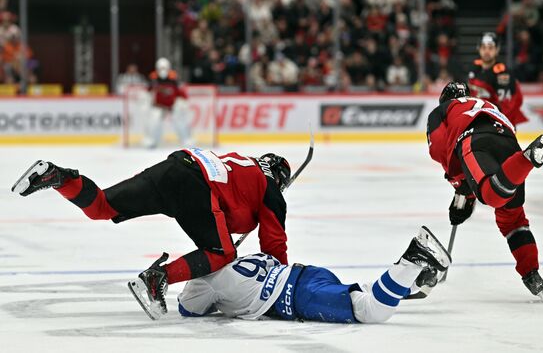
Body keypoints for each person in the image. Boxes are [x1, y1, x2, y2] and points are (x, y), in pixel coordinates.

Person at [12, 148, 292, 319]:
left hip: (175, 167)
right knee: (221, 253)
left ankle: (59, 177)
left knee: (102, 207)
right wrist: (279, 278)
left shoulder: (244, 162)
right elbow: (274, 243)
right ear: (280, 177)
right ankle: (158, 278)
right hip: (195, 185)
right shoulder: (270, 189)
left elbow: (224, 204)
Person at [426, 81, 543, 300]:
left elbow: (440, 150)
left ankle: (527, 159)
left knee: (490, 195)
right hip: (508, 143)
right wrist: (466, 193)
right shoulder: (487, 103)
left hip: (474, 140)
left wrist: (461, 190)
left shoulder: (441, 111)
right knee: (512, 220)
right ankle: (533, 277)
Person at [176, 226, 451, 323]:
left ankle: (413, 260)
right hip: (309, 274)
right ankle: (408, 282)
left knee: (372, 312)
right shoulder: (244, 258)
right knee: (362, 293)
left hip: (299, 297)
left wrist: (198, 280)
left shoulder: (207, 281)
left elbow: (188, 309)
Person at [468, 32, 528, 127]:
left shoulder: (503, 73)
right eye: (483, 47)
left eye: (490, 48)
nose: (487, 51)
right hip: (479, 120)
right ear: (479, 49)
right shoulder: (474, 68)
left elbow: (507, 106)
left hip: (499, 122)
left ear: (497, 49)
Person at [144, 57, 191, 148]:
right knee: (154, 121)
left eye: (164, 68)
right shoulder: (153, 78)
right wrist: (148, 101)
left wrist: (183, 100)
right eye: (161, 68)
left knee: (179, 121)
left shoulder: (173, 78)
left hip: (172, 105)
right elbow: (148, 91)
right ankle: (153, 140)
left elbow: (180, 91)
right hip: (158, 105)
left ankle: (185, 140)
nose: (163, 71)